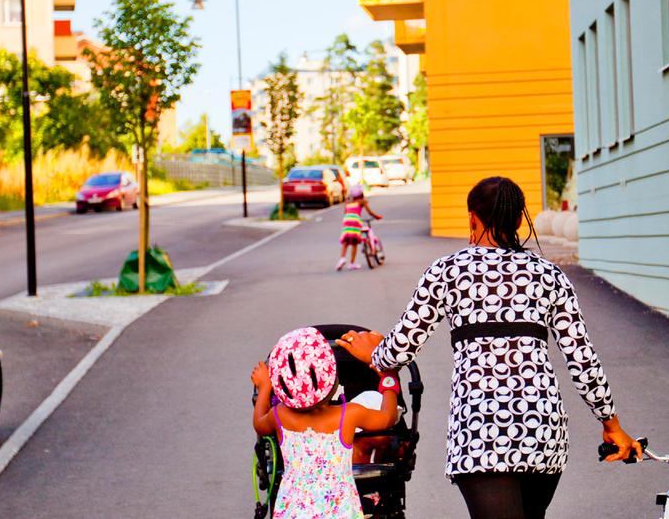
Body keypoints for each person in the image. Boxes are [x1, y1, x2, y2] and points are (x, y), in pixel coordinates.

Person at [338, 176, 643, 519]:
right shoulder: (550, 275)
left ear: (472, 218)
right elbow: (582, 360)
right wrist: (611, 424)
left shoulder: (447, 271)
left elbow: (401, 350)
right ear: (518, 221)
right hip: (541, 430)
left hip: (480, 432)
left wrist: (374, 354)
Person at [251, 327, 399, 518]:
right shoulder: (349, 415)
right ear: (334, 381)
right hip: (339, 511)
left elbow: (259, 425)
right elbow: (388, 418)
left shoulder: (279, 415)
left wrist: (264, 387)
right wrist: (389, 379)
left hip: (294, 511)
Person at [336, 184, 382, 271]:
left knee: (346, 241)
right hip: (355, 220)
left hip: (346, 220)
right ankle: (351, 264)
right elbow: (370, 212)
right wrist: (377, 216)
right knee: (354, 243)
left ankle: (342, 258)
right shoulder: (362, 201)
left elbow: (346, 213)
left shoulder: (347, 203)